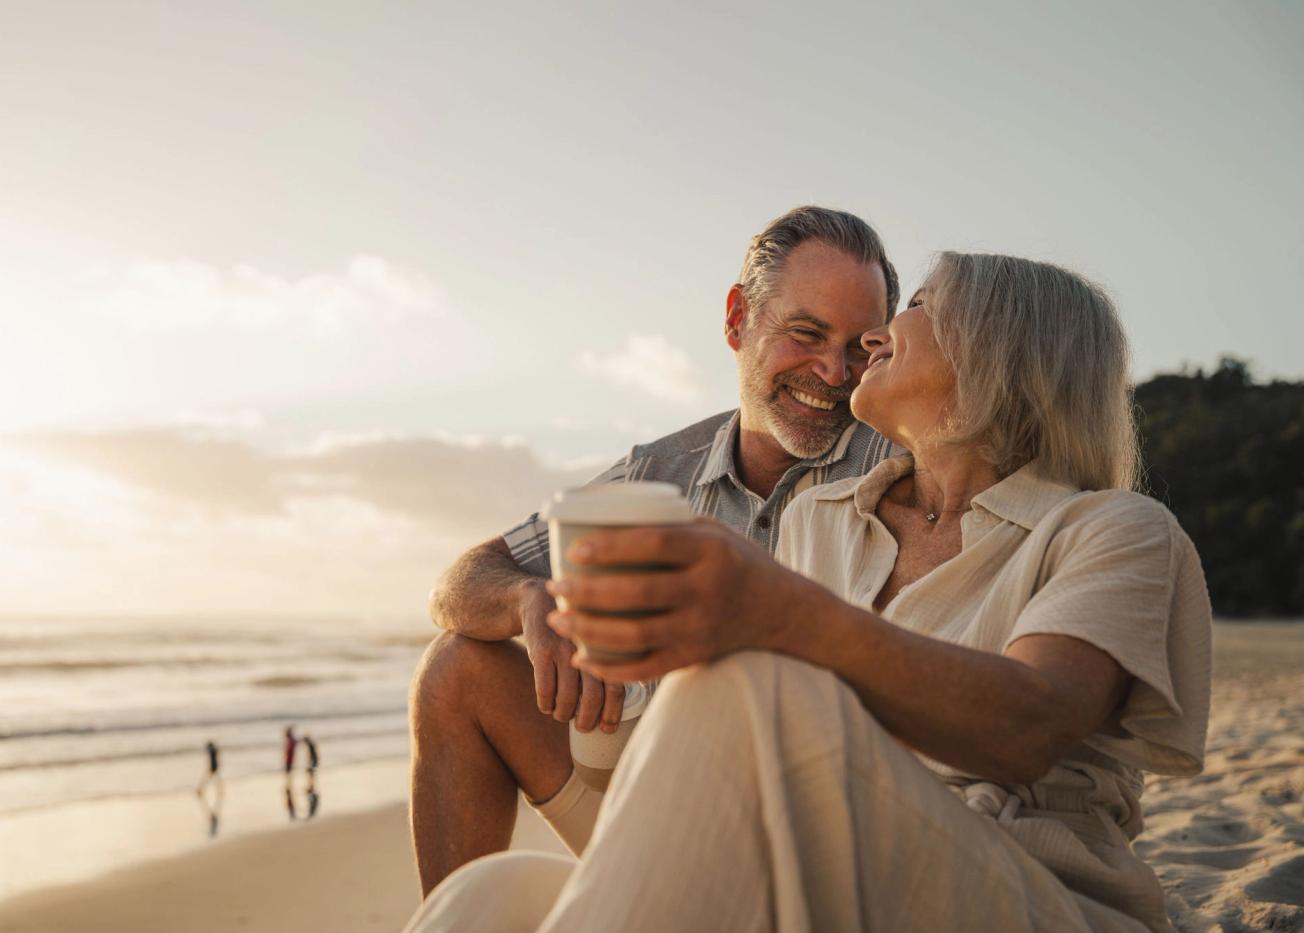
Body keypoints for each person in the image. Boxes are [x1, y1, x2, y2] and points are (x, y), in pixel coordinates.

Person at [406, 253, 1212, 933]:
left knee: (751, 688)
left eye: (918, 306)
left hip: (1020, 887)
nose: (869, 341)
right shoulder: (818, 517)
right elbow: (476, 577)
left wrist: (777, 612)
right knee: (491, 896)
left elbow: (1030, 724)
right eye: (809, 333)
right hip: (811, 854)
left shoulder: (1116, 529)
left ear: (997, 351)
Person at [410, 206, 902, 895]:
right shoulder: (657, 472)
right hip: (654, 814)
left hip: (824, 845)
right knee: (456, 666)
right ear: (737, 319)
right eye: (806, 332)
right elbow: (457, 584)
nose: (832, 370)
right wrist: (529, 599)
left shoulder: (902, 471)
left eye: (858, 347)